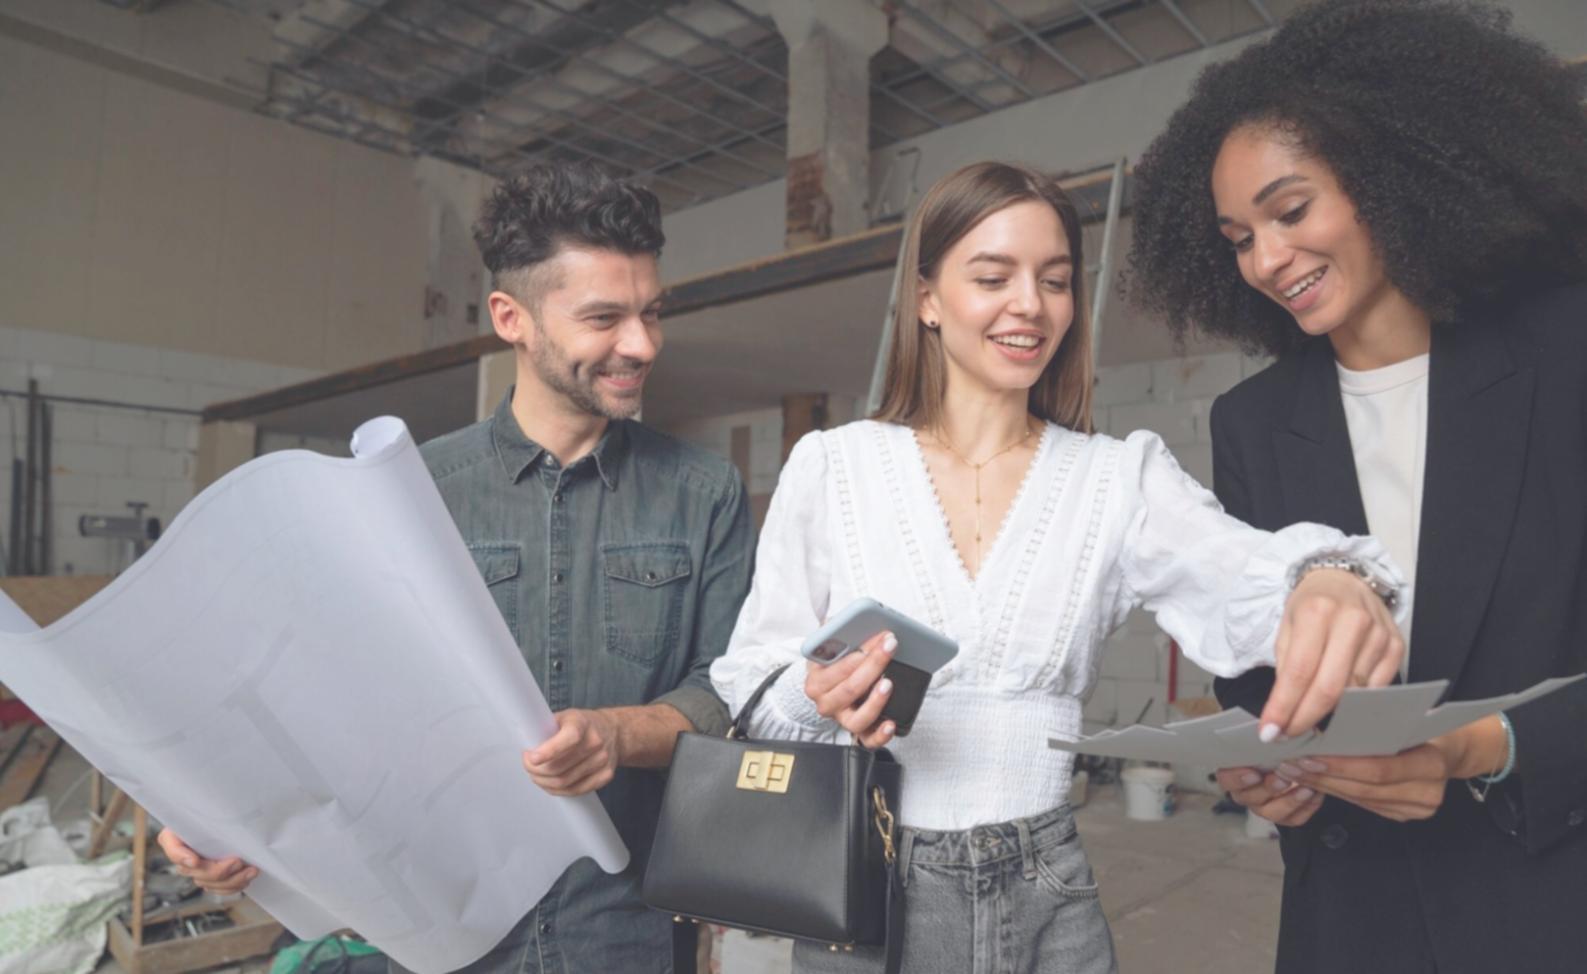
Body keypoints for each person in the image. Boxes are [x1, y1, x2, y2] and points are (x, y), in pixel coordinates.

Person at [710, 160, 1408, 974]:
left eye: (1054, 280)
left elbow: (1245, 575)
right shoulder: (832, 466)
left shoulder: (1116, 476)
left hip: (1046, 887)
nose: (1029, 305)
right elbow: (751, 677)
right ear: (927, 299)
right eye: (992, 275)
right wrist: (815, 692)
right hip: (865, 888)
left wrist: (1323, 575)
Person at [157, 163, 755, 974]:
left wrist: (619, 732)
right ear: (512, 317)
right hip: (441, 925)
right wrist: (232, 826)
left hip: (629, 928)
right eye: (604, 317)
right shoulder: (407, 493)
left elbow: (731, 692)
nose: (641, 344)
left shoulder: (704, 491)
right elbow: (328, 702)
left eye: (652, 313)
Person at [1126, 1, 1587, 971]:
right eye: (1238, 236)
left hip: (1541, 899)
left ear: (1386, 177)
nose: (1267, 260)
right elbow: (1258, 665)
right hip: (1351, 914)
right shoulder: (1251, 421)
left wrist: (1483, 745)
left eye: (1290, 211)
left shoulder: (1564, 356)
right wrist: (1269, 767)